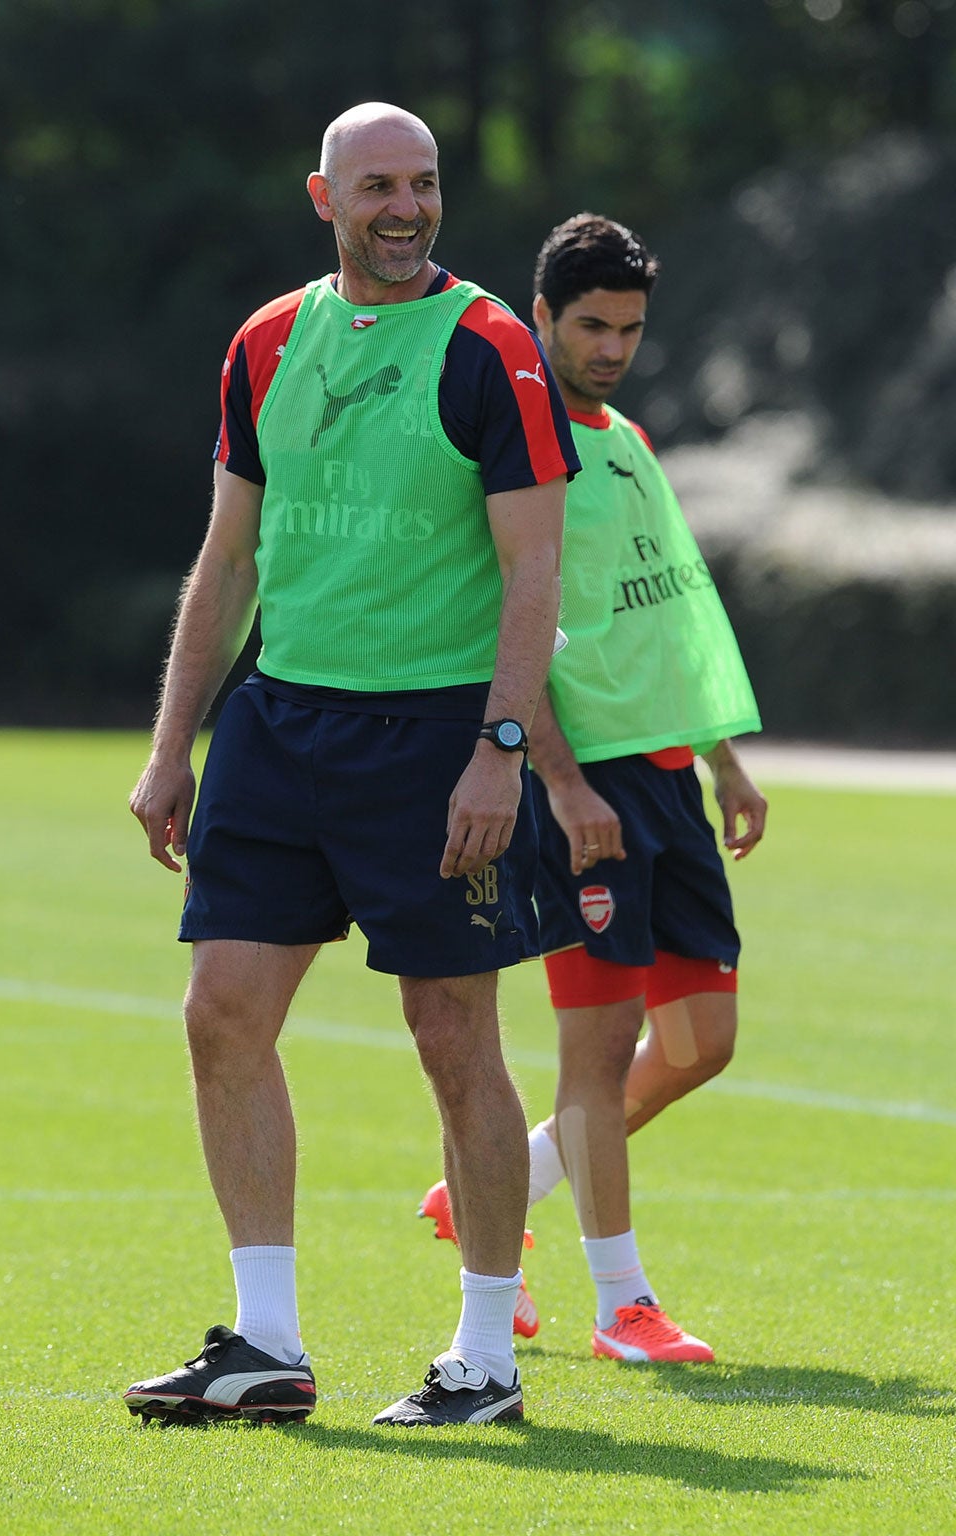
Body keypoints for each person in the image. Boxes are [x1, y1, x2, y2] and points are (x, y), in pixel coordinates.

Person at [124, 103, 578, 1429]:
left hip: (436, 742)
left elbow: (533, 569)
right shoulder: (267, 341)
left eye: (425, 184)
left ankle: (483, 1358)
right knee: (220, 1017)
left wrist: (501, 753)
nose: (407, 206)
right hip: (278, 729)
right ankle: (265, 1345)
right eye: (378, 183)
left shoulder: (494, 345)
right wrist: (172, 748)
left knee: (453, 1038)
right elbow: (228, 559)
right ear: (322, 194)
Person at [420, 213, 767, 1364]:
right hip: (585, 786)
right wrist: (559, 785)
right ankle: (621, 1303)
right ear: (543, 317)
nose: (612, 347)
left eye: (628, 327)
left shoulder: (626, 437)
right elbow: (510, 627)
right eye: (591, 326)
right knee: (601, 1046)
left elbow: (664, 610)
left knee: (704, 1041)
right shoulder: (521, 448)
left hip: (668, 776)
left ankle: (500, 1183)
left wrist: (721, 757)